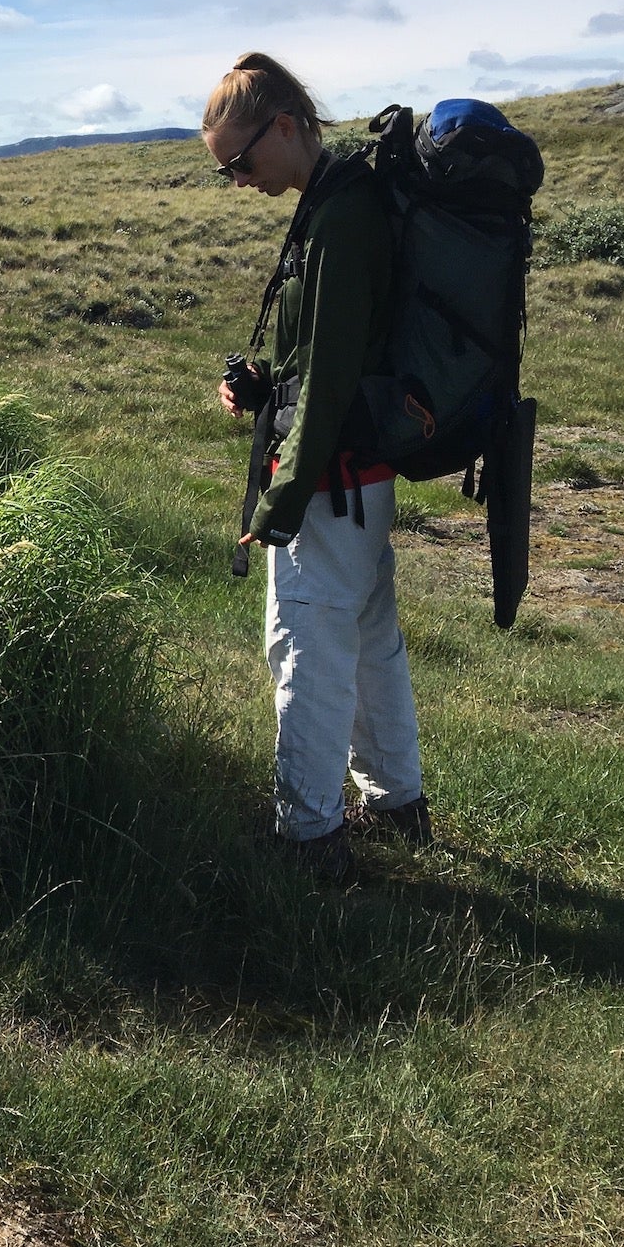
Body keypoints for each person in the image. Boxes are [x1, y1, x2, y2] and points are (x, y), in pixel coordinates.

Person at [203, 52, 431, 883]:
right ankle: (397, 803)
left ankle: (308, 841)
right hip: (358, 478)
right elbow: (321, 355)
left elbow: (333, 378)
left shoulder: (342, 217)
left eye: (241, 161)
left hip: (331, 483)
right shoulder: (335, 202)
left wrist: (282, 503)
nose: (237, 179)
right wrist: (262, 382)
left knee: (303, 648)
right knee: (370, 645)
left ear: (288, 126)